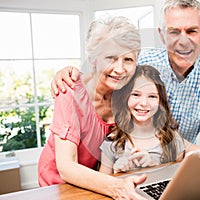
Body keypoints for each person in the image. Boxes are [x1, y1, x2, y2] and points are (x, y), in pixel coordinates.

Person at [50, 0, 200, 186]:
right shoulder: (140, 66)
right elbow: (106, 65)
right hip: (83, 179)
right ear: (161, 34)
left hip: (168, 169)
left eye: (191, 31)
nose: (183, 41)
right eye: (174, 31)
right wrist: (71, 72)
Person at [38, 16, 148, 200]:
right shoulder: (70, 89)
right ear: (93, 59)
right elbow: (66, 167)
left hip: (98, 181)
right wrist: (116, 187)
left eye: (128, 59)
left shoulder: (127, 94)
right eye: (110, 58)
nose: (120, 69)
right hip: (57, 186)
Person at [99, 65, 199, 174]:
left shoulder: (172, 138)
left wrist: (154, 166)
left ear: (160, 101)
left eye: (152, 96)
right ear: (125, 97)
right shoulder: (112, 142)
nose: (143, 103)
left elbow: (178, 179)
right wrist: (117, 173)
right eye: (136, 94)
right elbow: (101, 184)